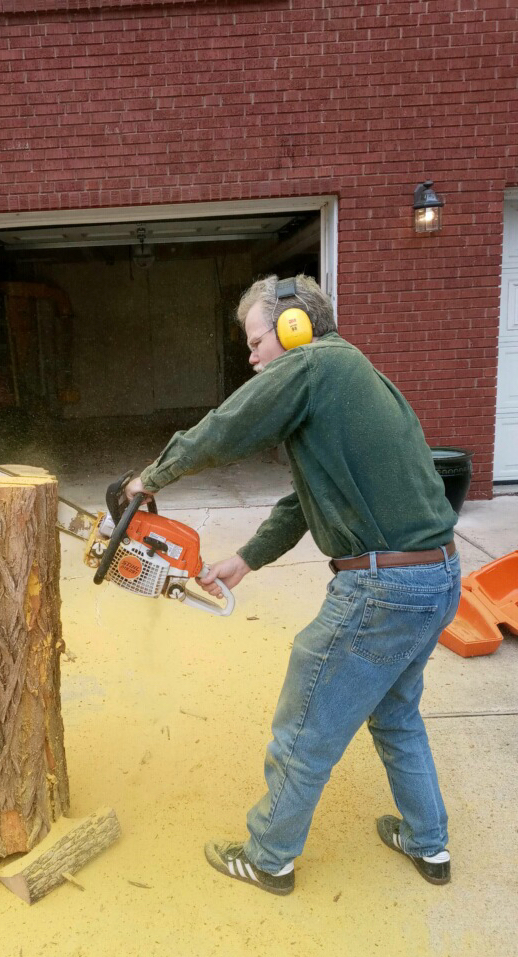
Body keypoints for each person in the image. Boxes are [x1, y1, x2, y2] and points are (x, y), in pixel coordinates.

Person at [124, 274, 460, 896]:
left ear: (294, 327)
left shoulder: (314, 366)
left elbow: (229, 426)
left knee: (305, 727)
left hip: (383, 593)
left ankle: (269, 856)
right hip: (435, 578)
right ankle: (428, 841)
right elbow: (307, 501)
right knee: (395, 715)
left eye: (257, 342)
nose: (252, 357)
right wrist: (246, 559)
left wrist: (153, 475)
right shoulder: (350, 377)